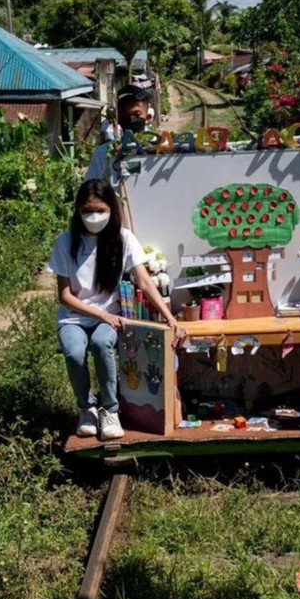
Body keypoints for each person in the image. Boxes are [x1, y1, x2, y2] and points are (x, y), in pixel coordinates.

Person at [50, 178, 186, 440]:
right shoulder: (65, 242)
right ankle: (86, 408)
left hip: (108, 318)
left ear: (112, 209)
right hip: (74, 318)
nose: (94, 216)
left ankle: (110, 409)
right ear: (78, 210)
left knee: (102, 344)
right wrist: (102, 314)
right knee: (74, 352)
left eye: (100, 210)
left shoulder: (123, 239)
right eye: (87, 210)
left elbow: (145, 282)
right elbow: (64, 296)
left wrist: (170, 318)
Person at [85, 84, 153, 186]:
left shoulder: (161, 150)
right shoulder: (103, 152)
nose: (129, 118)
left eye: (136, 114)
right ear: (118, 117)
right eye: (124, 114)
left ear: (148, 118)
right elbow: (89, 187)